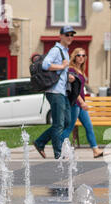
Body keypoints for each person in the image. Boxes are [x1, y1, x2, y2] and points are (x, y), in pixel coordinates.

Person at [33, 26, 75, 159]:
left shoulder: (65, 52)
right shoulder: (56, 50)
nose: (70, 37)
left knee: (68, 121)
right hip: (54, 91)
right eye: (67, 34)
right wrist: (62, 66)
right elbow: (45, 65)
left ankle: (40, 141)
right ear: (61, 36)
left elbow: (58, 71)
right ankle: (58, 153)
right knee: (58, 123)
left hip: (62, 92)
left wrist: (67, 75)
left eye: (71, 35)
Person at [60, 48, 104, 158]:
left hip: (80, 104)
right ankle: (59, 149)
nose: (81, 57)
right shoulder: (71, 70)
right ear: (74, 57)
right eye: (79, 55)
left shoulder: (81, 70)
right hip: (75, 103)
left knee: (89, 126)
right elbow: (74, 90)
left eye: (83, 56)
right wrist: (81, 102)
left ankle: (95, 150)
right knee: (69, 128)